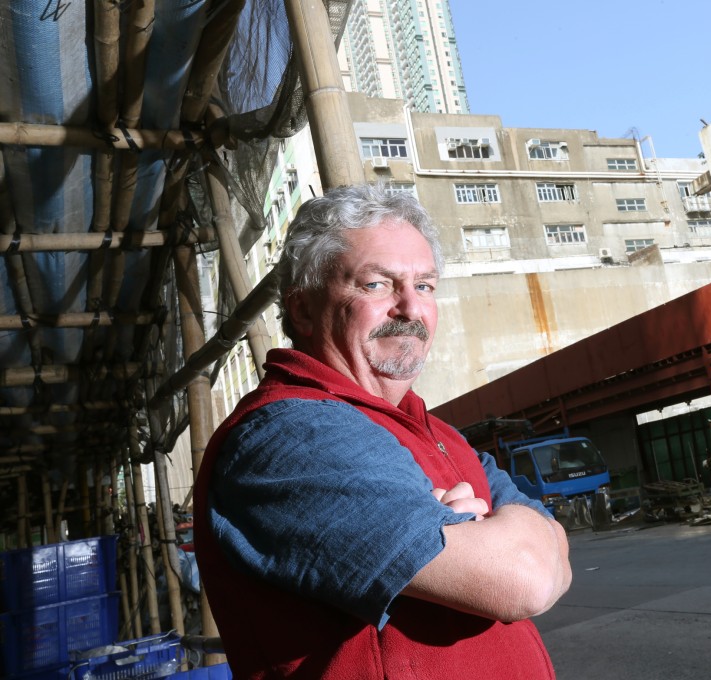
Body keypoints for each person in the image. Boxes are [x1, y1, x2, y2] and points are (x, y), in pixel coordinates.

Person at [193, 184, 572, 679]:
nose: (411, 309)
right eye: (377, 285)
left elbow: (557, 550)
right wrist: (506, 538)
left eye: (426, 286)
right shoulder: (289, 433)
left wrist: (509, 539)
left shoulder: (435, 431)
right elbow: (527, 579)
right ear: (303, 309)